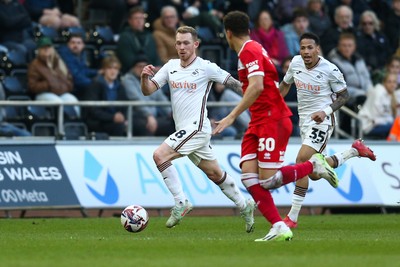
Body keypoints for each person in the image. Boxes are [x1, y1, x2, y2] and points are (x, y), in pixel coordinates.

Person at [217, 11, 339, 242]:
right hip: (260, 120)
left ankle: (313, 163)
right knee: (248, 177)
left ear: (228, 33)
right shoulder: (252, 49)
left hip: (271, 119)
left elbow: (256, 86)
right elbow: (268, 82)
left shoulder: (249, 51)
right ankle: (279, 226)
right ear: (249, 30)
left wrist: (231, 116)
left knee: (268, 181)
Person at [140, 25, 256, 232]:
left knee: (159, 156)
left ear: (195, 44)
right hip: (184, 129)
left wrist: (257, 92)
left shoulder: (206, 67)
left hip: (197, 128)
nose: (182, 47)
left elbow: (234, 84)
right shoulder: (170, 66)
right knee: (214, 173)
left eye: (186, 43)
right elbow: (148, 91)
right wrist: (144, 78)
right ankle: (244, 204)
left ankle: (181, 201)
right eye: (178, 43)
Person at [279, 32, 376, 228]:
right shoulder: (295, 63)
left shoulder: (330, 69)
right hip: (305, 121)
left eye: (310, 48)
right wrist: (273, 105)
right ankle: (354, 150)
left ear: (317, 49)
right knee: (313, 172)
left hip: (323, 121)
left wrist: (324, 112)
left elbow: (344, 95)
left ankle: (292, 218)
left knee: (301, 161)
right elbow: (284, 85)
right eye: (303, 48)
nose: (306, 52)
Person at [121, 54, 174, 136]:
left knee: (173, 123)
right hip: (136, 115)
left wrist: (171, 113)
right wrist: (149, 116)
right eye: (139, 66)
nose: (142, 69)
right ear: (133, 68)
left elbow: (161, 98)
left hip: (153, 116)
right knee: (144, 126)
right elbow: (136, 99)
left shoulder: (150, 79)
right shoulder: (128, 79)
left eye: (144, 66)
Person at [27, 37, 79, 116]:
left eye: (48, 47)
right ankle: (59, 125)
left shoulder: (59, 62)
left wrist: (65, 86)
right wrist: (48, 84)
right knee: (58, 103)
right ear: (39, 50)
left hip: (62, 93)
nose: (46, 49)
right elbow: (32, 86)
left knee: (73, 101)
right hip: (43, 94)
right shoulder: (34, 65)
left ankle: (75, 125)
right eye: (43, 48)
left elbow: (69, 79)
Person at [82, 56, 128, 137]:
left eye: (116, 68)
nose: (113, 71)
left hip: (115, 120)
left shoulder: (120, 87)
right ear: (103, 70)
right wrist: (112, 117)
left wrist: (124, 117)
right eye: (110, 68)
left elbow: (125, 106)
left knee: (138, 124)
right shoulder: (95, 85)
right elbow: (93, 110)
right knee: (118, 127)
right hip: (98, 121)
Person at [116, 6, 161, 73]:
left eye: (141, 18)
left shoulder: (149, 36)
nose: (139, 21)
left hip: (151, 72)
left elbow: (156, 57)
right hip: (132, 73)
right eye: (136, 18)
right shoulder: (124, 37)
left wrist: (159, 67)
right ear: (130, 21)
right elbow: (128, 61)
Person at [58, 33, 99, 99]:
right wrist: (93, 83)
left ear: (83, 45)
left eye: (78, 43)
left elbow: (83, 70)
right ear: (68, 45)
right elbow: (75, 76)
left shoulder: (81, 55)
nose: (75, 45)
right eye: (73, 43)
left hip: (79, 85)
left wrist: (97, 72)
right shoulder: (64, 55)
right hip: (69, 87)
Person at [358, 73, 398, 139]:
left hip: (379, 124)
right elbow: (375, 119)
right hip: (368, 126)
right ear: (384, 82)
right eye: (389, 82)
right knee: (396, 127)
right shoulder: (379, 92)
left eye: (394, 82)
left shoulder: (389, 95)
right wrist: (391, 121)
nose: (392, 85)